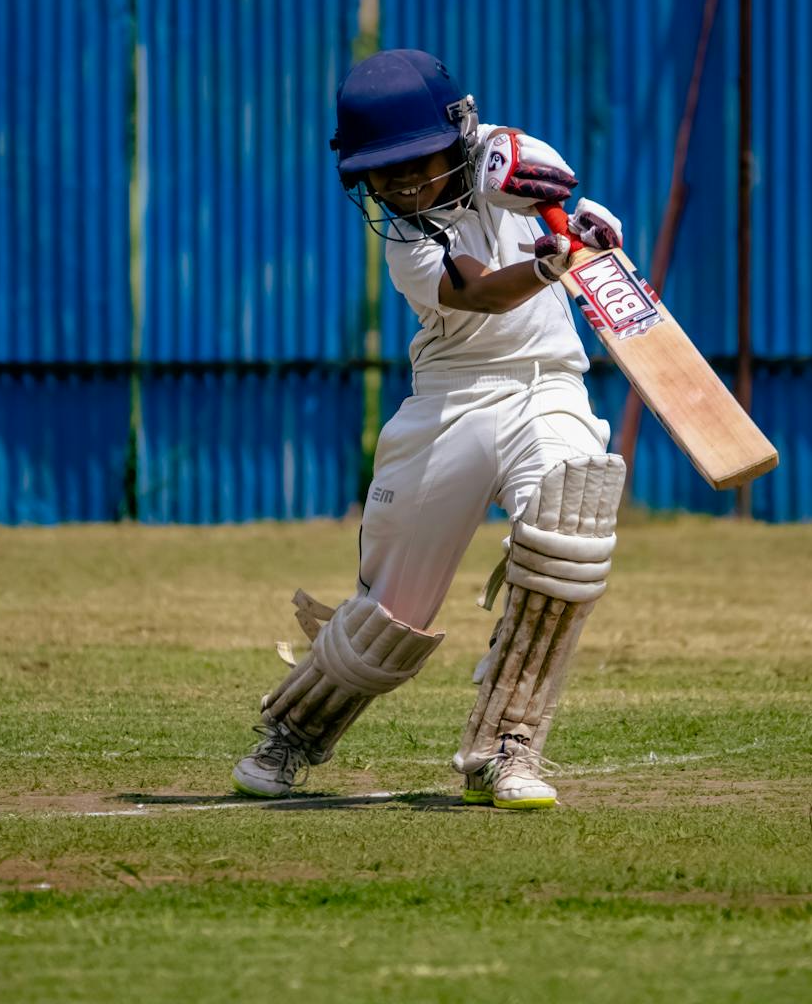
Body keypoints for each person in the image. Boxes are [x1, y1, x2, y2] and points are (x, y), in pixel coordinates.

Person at [231, 48, 627, 810]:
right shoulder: (411, 246)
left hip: (549, 383)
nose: (403, 185)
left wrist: (585, 227)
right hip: (450, 400)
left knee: (569, 532)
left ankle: (507, 747)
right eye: (382, 174)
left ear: (459, 136)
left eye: (416, 163)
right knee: (392, 610)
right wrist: (551, 267)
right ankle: (293, 734)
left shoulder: (511, 156)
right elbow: (480, 294)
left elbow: (552, 186)